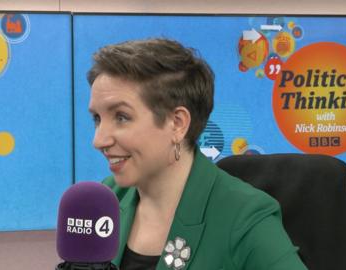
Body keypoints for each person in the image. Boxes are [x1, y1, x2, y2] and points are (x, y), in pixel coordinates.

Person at [87, 38, 307, 270]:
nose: (99, 140)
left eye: (121, 117)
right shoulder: (107, 199)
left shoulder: (246, 218)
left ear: (177, 123)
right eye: (97, 119)